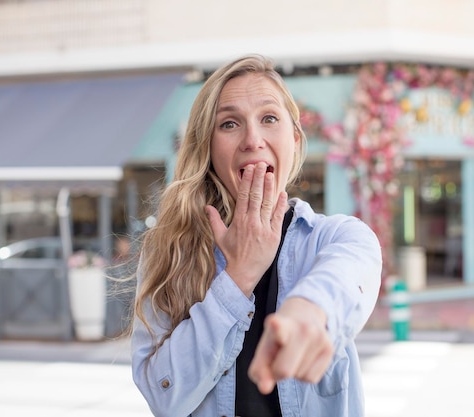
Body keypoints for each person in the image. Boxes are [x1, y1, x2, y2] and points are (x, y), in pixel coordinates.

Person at [131, 54, 382, 417]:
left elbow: (349, 274)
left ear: (294, 139)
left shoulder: (336, 237)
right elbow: (163, 398)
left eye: (269, 118)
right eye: (229, 124)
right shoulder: (168, 250)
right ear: (208, 147)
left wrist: (309, 311)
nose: (252, 139)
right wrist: (238, 278)